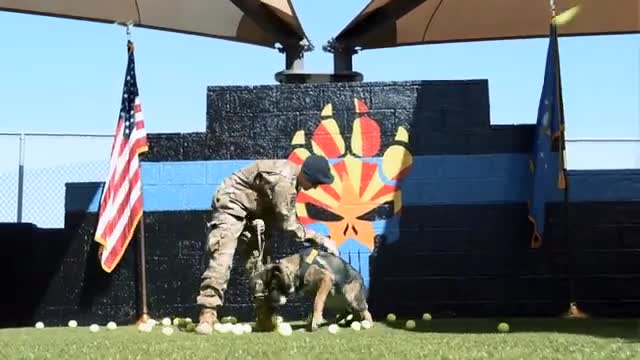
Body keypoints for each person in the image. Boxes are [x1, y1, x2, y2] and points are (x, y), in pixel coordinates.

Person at [194, 155, 340, 335]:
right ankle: (207, 315)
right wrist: (321, 239)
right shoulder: (285, 183)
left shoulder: (294, 181)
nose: (317, 186)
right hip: (231, 205)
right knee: (222, 257)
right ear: (308, 175)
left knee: (261, 265)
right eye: (317, 182)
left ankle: (264, 317)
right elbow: (289, 225)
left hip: (254, 212)